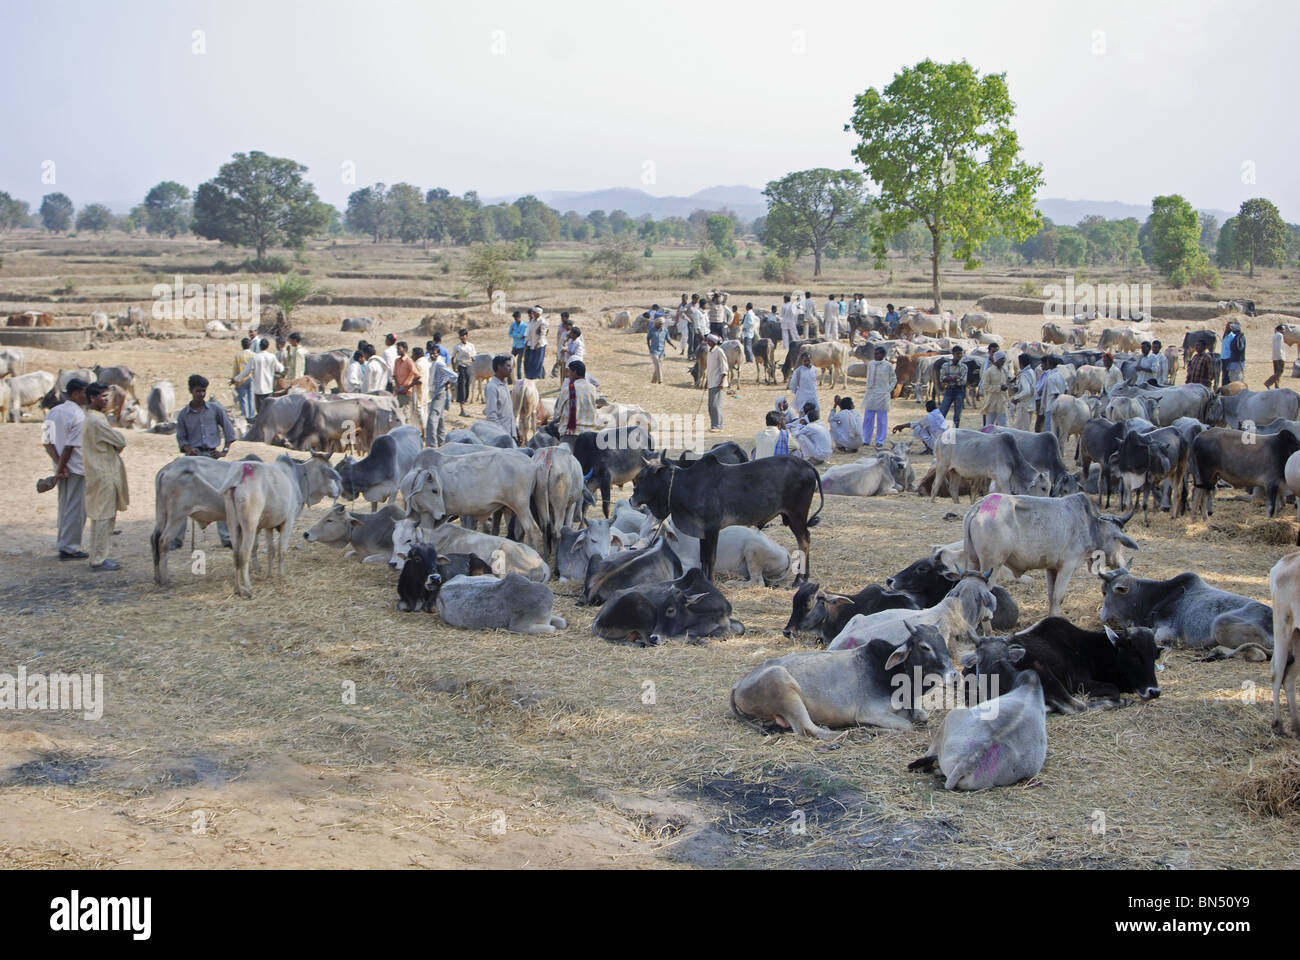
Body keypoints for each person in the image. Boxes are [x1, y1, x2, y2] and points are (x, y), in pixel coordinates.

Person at [82, 382, 129, 572]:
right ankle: (99, 559)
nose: (106, 399)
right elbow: (120, 441)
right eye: (102, 396)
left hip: (98, 470)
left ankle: (98, 555)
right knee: (104, 516)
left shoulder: (92, 418)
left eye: (106, 396)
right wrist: (115, 443)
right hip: (104, 472)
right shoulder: (97, 421)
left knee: (101, 515)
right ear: (92, 398)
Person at [44, 377, 88, 560]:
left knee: (64, 506)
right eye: (86, 393)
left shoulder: (53, 412)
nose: (88, 397)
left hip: (62, 467)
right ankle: (69, 547)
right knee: (76, 509)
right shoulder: (79, 415)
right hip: (77, 467)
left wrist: (58, 467)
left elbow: (47, 442)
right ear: (76, 394)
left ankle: (63, 543)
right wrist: (63, 466)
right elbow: (70, 447)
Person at [176, 374, 235, 457]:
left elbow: (229, 431)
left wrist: (224, 451)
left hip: (211, 456)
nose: (201, 394)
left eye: (203, 391)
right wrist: (189, 449)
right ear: (191, 391)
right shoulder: (183, 414)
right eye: (198, 391)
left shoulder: (215, 409)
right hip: (192, 457)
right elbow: (181, 438)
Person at [234, 337, 284, 414]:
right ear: (267, 346)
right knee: (268, 410)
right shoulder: (272, 357)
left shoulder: (255, 357)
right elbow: (280, 369)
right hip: (268, 388)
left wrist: (236, 378)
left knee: (260, 411)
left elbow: (246, 372)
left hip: (258, 389)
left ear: (260, 346)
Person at [861, 347, 897, 449]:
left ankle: (880, 440)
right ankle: (866, 439)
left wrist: (888, 390)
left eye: (877, 354)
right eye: (875, 354)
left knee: (881, 420)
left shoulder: (888, 365)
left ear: (883, 355)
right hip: (871, 393)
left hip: (882, 394)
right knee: (868, 418)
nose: (875, 356)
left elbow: (894, 379)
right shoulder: (871, 364)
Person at [555, 360, 600, 438]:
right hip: (590, 433)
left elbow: (558, 412)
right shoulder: (593, 389)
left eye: (569, 372)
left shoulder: (567, 390)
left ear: (574, 372)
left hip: (571, 433)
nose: (568, 375)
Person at [424, 349, 457, 446]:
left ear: (438, 354)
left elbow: (454, 375)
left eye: (434, 353)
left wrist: (448, 382)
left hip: (439, 393)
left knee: (432, 419)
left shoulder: (439, 364)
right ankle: (441, 443)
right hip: (434, 393)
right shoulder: (433, 363)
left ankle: (432, 445)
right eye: (431, 353)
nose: (432, 355)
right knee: (440, 420)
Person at [484, 355, 516, 440]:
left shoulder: (504, 385)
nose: (510, 369)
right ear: (499, 367)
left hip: (510, 434)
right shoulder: (492, 387)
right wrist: (502, 434)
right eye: (508, 366)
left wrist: (515, 429)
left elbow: (509, 411)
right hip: (501, 437)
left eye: (511, 366)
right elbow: (491, 415)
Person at [1036, 356, 1069, 434]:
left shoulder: (1051, 378)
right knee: (1057, 430)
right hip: (1060, 407)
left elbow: (1055, 394)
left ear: (1049, 364)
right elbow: (1066, 389)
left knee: (1050, 430)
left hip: (1051, 407)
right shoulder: (1060, 375)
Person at [937, 346, 968, 428]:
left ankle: (955, 432)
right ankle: (939, 430)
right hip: (949, 390)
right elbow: (942, 378)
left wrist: (949, 379)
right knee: (942, 412)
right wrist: (955, 378)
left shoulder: (964, 366)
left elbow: (963, 381)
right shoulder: (946, 365)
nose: (960, 356)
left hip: (959, 390)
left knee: (957, 416)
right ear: (953, 354)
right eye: (958, 354)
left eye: (961, 354)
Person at [978, 351, 1011, 427]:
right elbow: (985, 386)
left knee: (1004, 424)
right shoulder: (989, 372)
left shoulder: (1003, 371)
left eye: (1004, 360)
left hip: (1002, 402)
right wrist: (998, 388)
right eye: (1002, 359)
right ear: (997, 360)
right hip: (991, 402)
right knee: (989, 425)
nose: (1003, 362)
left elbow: (1005, 387)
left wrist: (1008, 400)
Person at [393, 341, 420, 428]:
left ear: (404, 349)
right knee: (398, 415)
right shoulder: (397, 361)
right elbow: (395, 376)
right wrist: (398, 387)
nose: (397, 350)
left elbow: (417, 376)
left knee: (406, 415)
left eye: (399, 349)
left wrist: (407, 387)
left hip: (406, 392)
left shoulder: (409, 361)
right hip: (399, 391)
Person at [705, 334, 728, 432]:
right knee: (710, 405)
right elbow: (710, 369)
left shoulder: (719, 351)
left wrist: (722, 381)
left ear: (714, 342)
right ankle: (713, 424)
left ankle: (718, 425)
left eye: (710, 341)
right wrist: (706, 381)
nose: (708, 343)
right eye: (707, 341)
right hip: (711, 381)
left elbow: (724, 367)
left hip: (717, 382)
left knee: (715, 404)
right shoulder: (709, 352)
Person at [787, 350, 819, 418]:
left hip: (813, 396)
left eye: (808, 360)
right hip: (803, 398)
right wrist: (799, 393)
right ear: (802, 361)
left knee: (816, 414)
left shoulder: (815, 369)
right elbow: (793, 385)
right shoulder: (798, 371)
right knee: (803, 417)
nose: (807, 362)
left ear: (811, 360)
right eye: (805, 361)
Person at [452, 328, 475, 416]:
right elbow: (453, 357)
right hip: (461, 366)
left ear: (466, 336)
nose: (462, 337)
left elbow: (473, 356)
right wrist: (455, 368)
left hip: (469, 367)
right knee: (461, 386)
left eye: (464, 335)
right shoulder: (457, 347)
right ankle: (462, 408)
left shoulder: (471, 346)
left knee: (467, 386)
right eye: (461, 336)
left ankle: (464, 404)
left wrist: (473, 359)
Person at [1010, 354, 1038, 431]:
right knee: (1026, 427)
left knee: (1019, 428)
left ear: (1020, 363)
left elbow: (1027, 390)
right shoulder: (1031, 371)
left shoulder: (1024, 375)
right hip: (1031, 403)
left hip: (1023, 405)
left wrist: (1015, 398)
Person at [232, 338, 255, 419]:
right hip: (251, 379)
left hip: (241, 380)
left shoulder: (238, 355)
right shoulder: (254, 355)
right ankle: (251, 416)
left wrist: (234, 379)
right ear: (250, 345)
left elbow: (235, 369)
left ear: (242, 345)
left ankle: (245, 416)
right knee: (251, 398)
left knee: (243, 398)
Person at [525, 307, 548, 380]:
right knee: (531, 360)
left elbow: (543, 334)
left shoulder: (543, 322)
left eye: (534, 312)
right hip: (532, 344)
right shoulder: (532, 321)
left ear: (538, 314)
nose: (532, 314)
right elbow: (529, 333)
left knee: (538, 361)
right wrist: (526, 342)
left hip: (540, 345)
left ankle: (537, 376)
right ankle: (532, 376)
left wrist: (538, 343)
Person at [508, 310, 529, 380]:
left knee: (519, 363)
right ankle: (510, 378)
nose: (515, 320)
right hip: (515, 345)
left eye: (516, 318)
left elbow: (521, 335)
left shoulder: (524, 326)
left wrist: (514, 333)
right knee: (510, 362)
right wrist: (517, 335)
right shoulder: (513, 324)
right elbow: (509, 334)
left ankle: (519, 378)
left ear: (519, 317)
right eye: (514, 319)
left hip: (521, 346)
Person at [647, 316, 668, 384]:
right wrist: (649, 348)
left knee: (658, 366)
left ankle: (653, 381)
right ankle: (660, 380)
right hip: (653, 351)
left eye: (662, 324)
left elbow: (668, 339)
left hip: (661, 351)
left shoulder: (665, 330)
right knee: (657, 364)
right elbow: (648, 339)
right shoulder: (652, 330)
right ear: (656, 323)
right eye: (659, 323)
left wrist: (673, 345)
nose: (661, 325)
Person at [1266, 324, 1287, 389]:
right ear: (1279, 330)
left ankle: (1277, 386)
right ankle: (1268, 383)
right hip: (1279, 356)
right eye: (1283, 329)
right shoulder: (1280, 336)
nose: (1284, 331)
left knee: (1276, 372)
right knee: (1280, 371)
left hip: (1275, 356)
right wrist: (1281, 356)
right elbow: (1279, 347)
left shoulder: (1275, 335)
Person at [1219, 322, 1236, 389]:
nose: (1227, 328)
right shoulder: (1225, 335)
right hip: (1223, 357)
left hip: (1228, 358)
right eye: (1226, 326)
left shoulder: (1232, 336)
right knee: (1224, 374)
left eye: (1228, 326)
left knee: (1228, 375)